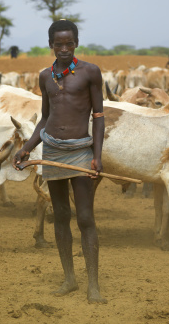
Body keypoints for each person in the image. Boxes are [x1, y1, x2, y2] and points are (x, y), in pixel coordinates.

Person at [13, 20, 107, 304]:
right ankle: (69, 278)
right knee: (61, 215)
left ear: (76, 43)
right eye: (58, 44)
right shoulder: (45, 76)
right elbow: (45, 117)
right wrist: (28, 148)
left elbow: (99, 117)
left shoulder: (90, 72)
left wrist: (97, 156)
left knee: (85, 218)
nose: (63, 49)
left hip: (80, 151)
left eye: (69, 43)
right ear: (51, 45)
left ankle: (93, 285)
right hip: (52, 151)